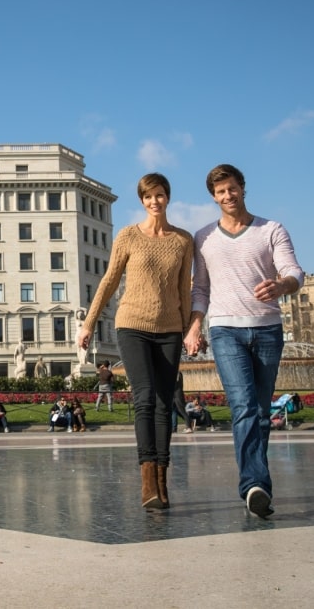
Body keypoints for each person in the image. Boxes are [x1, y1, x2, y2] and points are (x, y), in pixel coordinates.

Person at [184, 163, 304, 519]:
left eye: (232, 188)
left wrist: (282, 285)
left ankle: (255, 483)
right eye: (220, 191)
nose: (227, 195)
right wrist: (194, 327)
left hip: (267, 329)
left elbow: (294, 270)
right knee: (244, 407)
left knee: (263, 411)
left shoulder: (271, 229)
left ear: (243, 188)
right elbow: (200, 288)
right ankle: (255, 485)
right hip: (224, 330)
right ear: (213, 197)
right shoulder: (203, 237)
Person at [76, 172, 194, 510]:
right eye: (147, 197)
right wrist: (88, 323)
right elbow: (108, 281)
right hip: (132, 325)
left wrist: (188, 330)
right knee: (144, 399)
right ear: (142, 201)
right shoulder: (128, 236)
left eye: (159, 195)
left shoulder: (183, 241)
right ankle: (147, 483)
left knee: (163, 403)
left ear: (167, 197)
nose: (154, 202)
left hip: (170, 329)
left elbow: (183, 290)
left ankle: (162, 478)